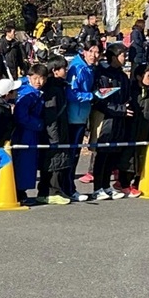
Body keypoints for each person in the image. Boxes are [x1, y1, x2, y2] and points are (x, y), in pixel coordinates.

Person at [90, 43, 131, 200]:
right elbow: (99, 100)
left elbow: (126, 96)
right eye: (123, 55)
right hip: (105, 118)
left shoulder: (122, 76)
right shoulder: (101, 74)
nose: (125, 58)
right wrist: (120, 109)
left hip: (119, 118)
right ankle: (97, 187)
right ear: (114, 57)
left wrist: (125, 108)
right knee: (102, 153)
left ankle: (106, 186)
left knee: (113, 153)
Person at [65, 40, 100, 202]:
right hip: (74, 116)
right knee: (72, 154)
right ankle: (69, 189)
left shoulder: (88, 67)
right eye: (91, 51)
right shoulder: (77, 67)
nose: (94, 55)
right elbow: (72, 93)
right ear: (84, 51)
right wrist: (91, 96)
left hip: (82, 114)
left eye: (97, 52)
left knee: (75, 153)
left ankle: (69, 187)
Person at [37, 56, 72, 205]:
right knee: (54, 162)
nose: (66, 71)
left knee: (58, 161)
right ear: (55, 71)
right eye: (64, 69)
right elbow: (51, 115)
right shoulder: (52, 89)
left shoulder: (59, 86)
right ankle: (50, 192)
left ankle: (54, 190)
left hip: (59, 129)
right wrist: (54, 137)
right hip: (54, 132)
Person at [12, 64, 47, 202]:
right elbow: (21, 116)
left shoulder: (35, 92)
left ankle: (21, 191)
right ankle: (19, 191)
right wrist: (39, 124)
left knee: (28, 163)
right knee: (23, 163)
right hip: (25, 133)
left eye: (42, 78)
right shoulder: (27, 94)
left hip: (31, 132)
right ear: (29, 78)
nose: (39, 81)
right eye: (35, 78)